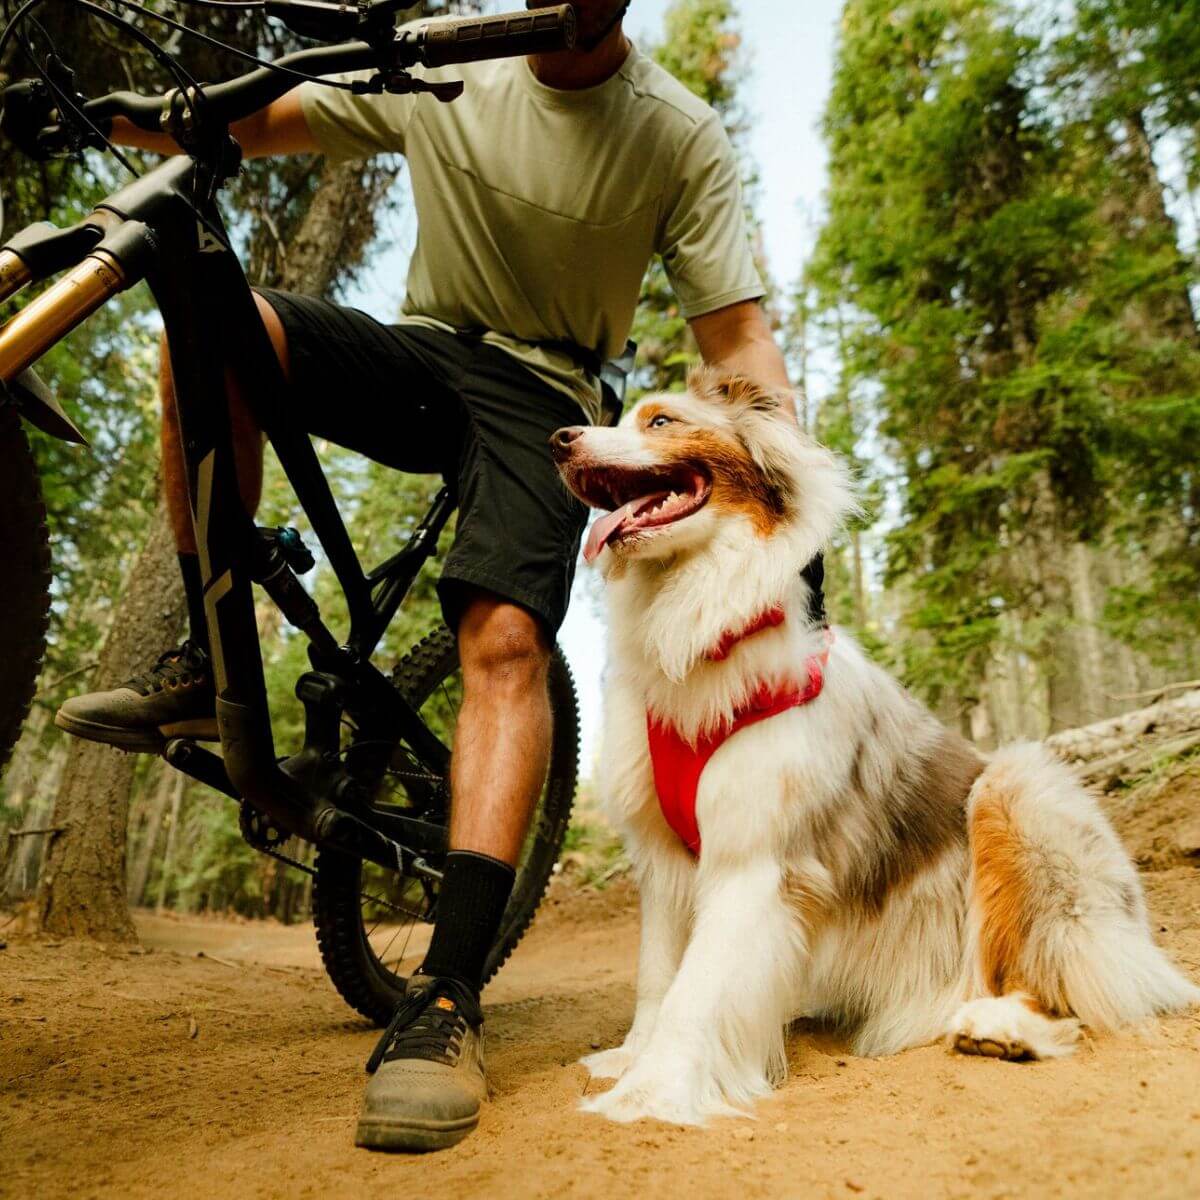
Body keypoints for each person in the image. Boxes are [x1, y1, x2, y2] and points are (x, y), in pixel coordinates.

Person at [55, 0, 796, 1153]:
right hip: (423, 351)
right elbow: (263, 120)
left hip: (549, 398)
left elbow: (736, 334)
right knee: (211, 324)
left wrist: (784, 489)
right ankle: (209, 657)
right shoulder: (450, 61)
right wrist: (103, 118)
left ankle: (446, 996)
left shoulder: (676, 133)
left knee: (504, 637)